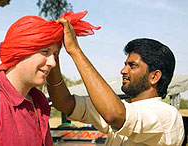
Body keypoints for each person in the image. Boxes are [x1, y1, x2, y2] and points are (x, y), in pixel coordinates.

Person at [0, 11, 100, 146]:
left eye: (55, 55)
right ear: (21, 51)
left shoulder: (39, 103)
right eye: (45, 52)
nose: (52, 63)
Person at [47, 18, 185, 145]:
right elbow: (65, 103)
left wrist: (75, 51)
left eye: (133, 66)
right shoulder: (124, 107)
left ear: (154, 77)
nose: (123, 71)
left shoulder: (168, 116)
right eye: (125, 64)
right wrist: (54, 56)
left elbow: (115, 115)